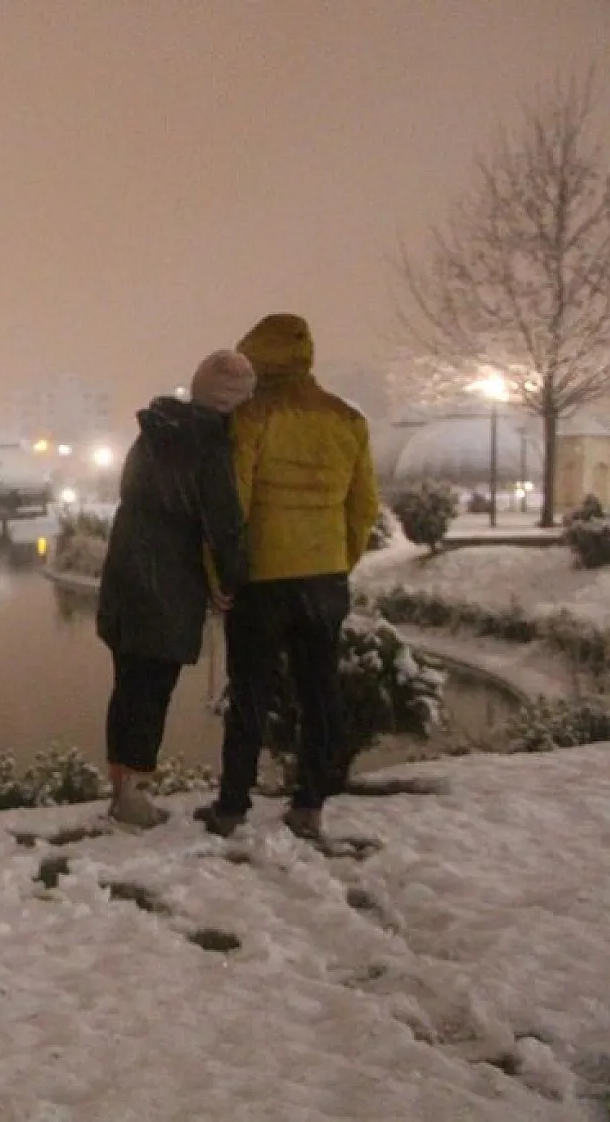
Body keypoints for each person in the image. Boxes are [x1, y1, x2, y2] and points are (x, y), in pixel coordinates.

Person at [197, 313, 380, 840]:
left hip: (264, 581)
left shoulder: (252, 417)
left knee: (251, 692)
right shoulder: (348, 419)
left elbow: (233, 506)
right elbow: (364, 505)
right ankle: (310, 801)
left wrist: (220, 575)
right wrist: (341, 560)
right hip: (325, 577)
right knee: (320, 690)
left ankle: (232, 806)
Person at [95, 349, 254, 829]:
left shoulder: (155, 432)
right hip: (167, 578)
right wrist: (232, 579)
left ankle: (122, 786)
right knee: (152, 688)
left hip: (125, 568)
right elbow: (224, 523)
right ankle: (133, 796)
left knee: (128, 684)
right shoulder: (206, 444)